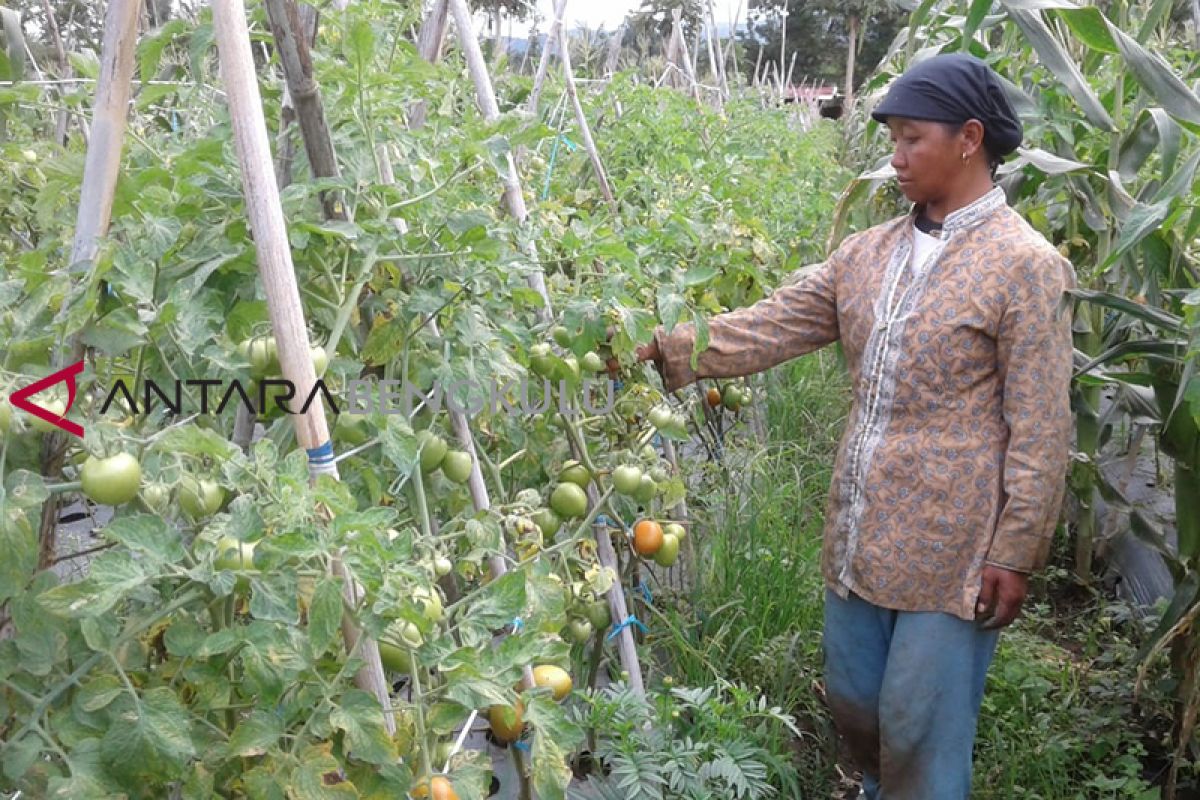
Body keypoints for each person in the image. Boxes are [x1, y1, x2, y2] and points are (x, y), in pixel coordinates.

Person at [636, 53, 1076, 799]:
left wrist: (1017, 549)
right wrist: (660, 348)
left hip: (954, 545)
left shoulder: (1024, 265)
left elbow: (1040, 424)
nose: (896, 158)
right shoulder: (869, 254)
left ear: (970, 139)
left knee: (919, 730)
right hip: (860, 531)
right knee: (858, 708)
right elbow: (774, 322)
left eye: (912, 140)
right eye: (893, 141)